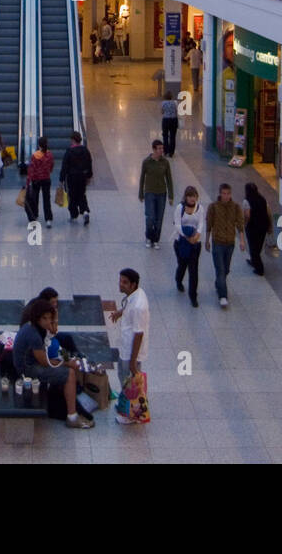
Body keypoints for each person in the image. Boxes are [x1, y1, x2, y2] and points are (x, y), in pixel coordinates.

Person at [12, 300, 95, 429]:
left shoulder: (33, 325)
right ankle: (72, 417)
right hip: (27, 370)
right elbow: (45, 362)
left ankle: (71, 397)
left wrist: (53, 319)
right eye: (44, 318)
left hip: (29, 362)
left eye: (49, 318)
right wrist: (66, 364)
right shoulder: (33, 335)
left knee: (67, 362)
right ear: (37, 318)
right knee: (69, 374)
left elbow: (53, 332)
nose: (48, 322)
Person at [109, 268, 149, 421]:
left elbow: (139, 334)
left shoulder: (139, 305)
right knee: (123, 376)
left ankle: (131, 415)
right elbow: (128, 308)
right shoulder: (134, 295)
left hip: (132, 351)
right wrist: (120, 312)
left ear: (133, 284)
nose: (120, 284)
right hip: (125, 347)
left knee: (130, 381)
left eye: (125, 282)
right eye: (120, 281)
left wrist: (133, 361)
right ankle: (125, 405)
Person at [205, 183, 246, 308]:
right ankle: (223, 296)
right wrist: (207, 240)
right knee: (221, 269)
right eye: (223, 193)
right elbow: (209, 224)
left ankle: (219, 283)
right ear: (220, 193)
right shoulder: (213, 207)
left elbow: (240, 225)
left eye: (228, 194)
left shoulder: (236, 207)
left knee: (226, 269)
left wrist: (242, 241)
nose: (226, 196)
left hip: (230, 243)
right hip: (217, 242)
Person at [137, 140, 174, 249]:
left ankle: (156, 239)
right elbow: (142, 178)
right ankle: (149, 236)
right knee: (150, 216)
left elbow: (169, 179)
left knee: (159, 218)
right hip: (149, 193)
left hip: (161, 193)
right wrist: (140, 193)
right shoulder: (146, 162)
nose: (161, 151)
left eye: (162, 148)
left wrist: (171, 195)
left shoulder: (165, 162)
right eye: (159, 148)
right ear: (153, 149)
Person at [173, 186, 204, 307]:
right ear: (186, 197)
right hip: (181, 242)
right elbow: (177, 224)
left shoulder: (200, 208)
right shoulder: (180, 208)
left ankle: (193, 296)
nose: (192, 199)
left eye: (194, 196)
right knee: (182, 265)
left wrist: (197, 235)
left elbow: (201, 223)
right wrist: (187, 237)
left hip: (195, 244)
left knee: (193, 270)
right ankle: (178, 280)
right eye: (190, 196)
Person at [59, 130, 93, 226]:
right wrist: (89, 176)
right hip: (82, 177)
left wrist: (61, 179)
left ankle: (74, 215)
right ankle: (85, 211)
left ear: (73, 140)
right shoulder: (85, 150)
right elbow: (89, 163)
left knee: (72, 196)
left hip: (72, 178)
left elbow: (64, 166)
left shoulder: (69, 152)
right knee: (82, 195)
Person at [26, 135, 55, 227]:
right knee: (46, 199)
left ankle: (35, 216)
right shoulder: (50, 154)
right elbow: (51, 165)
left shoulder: (35, 155)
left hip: (36, 180)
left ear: (39, 145)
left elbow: (31, 169)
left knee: (35, 198)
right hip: (46, 179)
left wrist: (28, 182)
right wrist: (48, 172)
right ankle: (48, 219)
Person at [244, 182, 272, 276]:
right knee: (258, 246)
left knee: (253, 248)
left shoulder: (247, 201)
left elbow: (247, 215)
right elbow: (268, 213)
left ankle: (259, 269)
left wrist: (245, 225)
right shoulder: (262, 199)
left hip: (253, 227)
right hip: (263, 226)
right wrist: (270, 226)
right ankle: (253, 260)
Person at [160, 90, 179, 157]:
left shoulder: (163, 103)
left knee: (165, 136)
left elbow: (162, 112)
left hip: (166, 120)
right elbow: (176, 112)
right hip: (174, 120)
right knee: (172, 137)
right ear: (171, 96)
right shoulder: (175, 102)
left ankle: (165, 151)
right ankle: (171, 152)